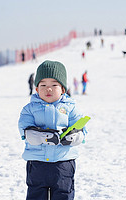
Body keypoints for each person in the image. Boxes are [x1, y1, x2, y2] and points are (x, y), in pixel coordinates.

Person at [18, 60, 88, 200]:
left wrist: (74, 136)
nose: (48, 89)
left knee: (64, 194)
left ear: (63, 89)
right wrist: (43, 137)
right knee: (36, 195)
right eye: (43, 85)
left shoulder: (71, 107)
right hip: (37, 164)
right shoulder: (29, 109)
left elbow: (81, 130)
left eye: (54, 85)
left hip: (63, 163)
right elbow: (25, 132)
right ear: (36, 89)